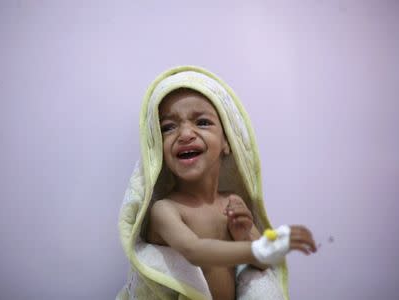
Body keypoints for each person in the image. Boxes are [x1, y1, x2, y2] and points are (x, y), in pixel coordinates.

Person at [117, 66, 316, 300]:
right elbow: (195, 252)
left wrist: (244, 235)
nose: (185, 134)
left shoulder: (232, 203)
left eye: (202, 122)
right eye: (168, 127)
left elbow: (263, 265)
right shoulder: (166, 210)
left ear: (226, 141)